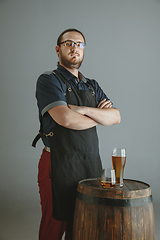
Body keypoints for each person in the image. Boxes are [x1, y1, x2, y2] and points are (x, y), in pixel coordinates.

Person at [32, 28, 121, 240]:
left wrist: (84, 110)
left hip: (89, 163)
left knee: (83, 223)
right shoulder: (48, 80)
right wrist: (99, 116)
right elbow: (66, 119)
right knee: (53, 226)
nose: (75, 48)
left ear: (84, 50)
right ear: (58, 49)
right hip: (57, 161)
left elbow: (116, 117)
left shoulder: (92, 85)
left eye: (79, 44)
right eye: (69, 43)